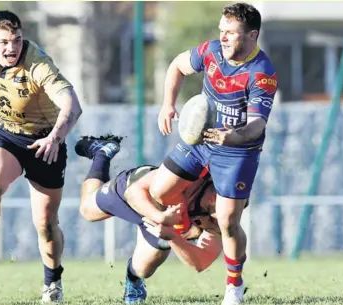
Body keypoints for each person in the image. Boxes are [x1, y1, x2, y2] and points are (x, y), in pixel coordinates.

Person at [153, 3, 277, 305]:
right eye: (221, 31)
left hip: (238, 152)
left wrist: (231, 136)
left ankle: (234, 286)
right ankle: (192, 227)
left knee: (228, 221)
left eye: (231, 33)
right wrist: (167, 104)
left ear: (251, 35)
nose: (223, 38)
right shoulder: (211, 51)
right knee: (160, 191)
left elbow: (257, 125)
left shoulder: (262, 73)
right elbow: (177, 66)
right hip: (200, 140)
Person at [0, 10, 82, 303]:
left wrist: (55, 137)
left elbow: (73, 106)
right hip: (3, 133)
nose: (11, 48)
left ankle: (52, 283)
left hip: (45, 141)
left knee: (45, 224)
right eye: (3, 42)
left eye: (16, 40)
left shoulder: (38, 65)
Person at [75, 135, 236, 304]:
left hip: (161, 223)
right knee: (87, 211)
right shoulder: (195, 175)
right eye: (219, 194)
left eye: (222, 204)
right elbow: (133, 193)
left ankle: (134, 280)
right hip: (139, 192)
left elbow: (200, 262)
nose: (215, 199)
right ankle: (103, 152)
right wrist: (159, 216)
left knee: (146, 266)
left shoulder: (222, 221)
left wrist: (172, 237)